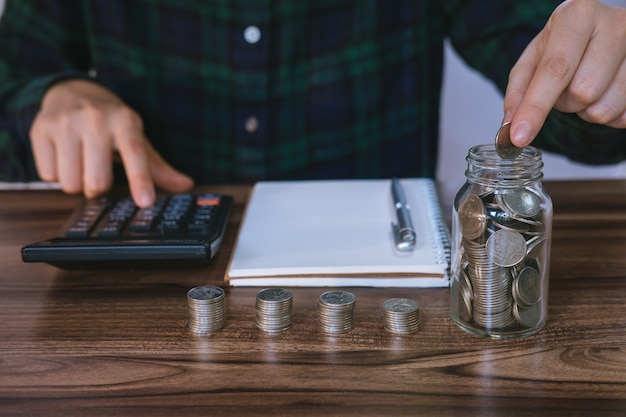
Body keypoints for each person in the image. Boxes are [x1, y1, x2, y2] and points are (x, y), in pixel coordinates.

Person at [0, 0, 624, 208]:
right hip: (136, 300)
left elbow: (559, 97)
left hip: (381, 311)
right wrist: (49, 98)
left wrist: (603, 74)